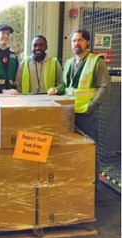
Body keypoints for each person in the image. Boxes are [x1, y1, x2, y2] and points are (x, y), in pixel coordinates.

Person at [48, 29, 111, 181]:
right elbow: (65, 84)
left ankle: (92, 185)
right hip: (70, 113)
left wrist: (92, 105)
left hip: (87, 115)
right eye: (74, 41)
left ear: (87, 42)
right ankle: (75, 180)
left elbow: (105, 86)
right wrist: (56, 89)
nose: (77, 43)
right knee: (71, 148)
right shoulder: (69, 63)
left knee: (90, 149)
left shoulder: (97, 61)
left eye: (80, 40)